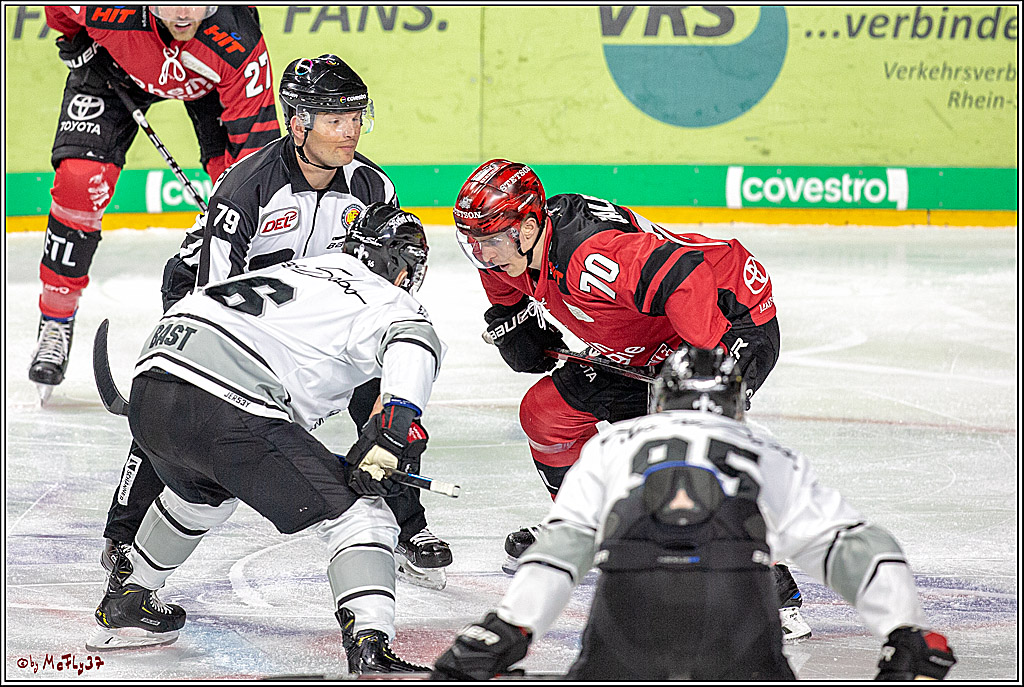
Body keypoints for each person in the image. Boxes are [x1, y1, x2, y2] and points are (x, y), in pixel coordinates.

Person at [99, 55, 453, 592]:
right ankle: (123, 532)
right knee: (186, 394)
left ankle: (409, 524)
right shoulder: (247, 187)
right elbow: (212, 290)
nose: (349, 130)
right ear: (298, 122)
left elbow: (375, 278)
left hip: (309, 306)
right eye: (334, 119)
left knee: (381, 394)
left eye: (356, 117)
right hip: (216, 291)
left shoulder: (373, 186)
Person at [432, 346, 958, 681]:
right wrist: (904, 629)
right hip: (738, 613)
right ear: (736, 404)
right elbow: (857, 545)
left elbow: (563, 546)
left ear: (659, 401)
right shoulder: (766, 448)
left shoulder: (615, 441)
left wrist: (510, 628)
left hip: (632, 608)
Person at [452, 159, 808, 640]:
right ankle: (592, 528)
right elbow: (512, 308)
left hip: (727, 312)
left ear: (531, 227)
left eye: (490, 239)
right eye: (472, 241)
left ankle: (770, 589)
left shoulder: (593, 256)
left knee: (690, 444)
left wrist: (702, 374)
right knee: (547, 414)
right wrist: (515, 329)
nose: (482, 253)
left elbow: (687, 278)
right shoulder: (508, 255)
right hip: (644, 337)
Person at [87, 205, 442, 675]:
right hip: (229, 403)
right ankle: (370, 650)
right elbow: (413, 342)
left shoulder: (301, 267)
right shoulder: (386, 297)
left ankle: (127, 599)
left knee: (201, 494)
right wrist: (396, 425)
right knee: (362, 516)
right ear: (401, 266)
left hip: (152, 384)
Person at [30, 5, 279, 401]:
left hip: (207, 84)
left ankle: (241, 323)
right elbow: (59, 9)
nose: (182, 13)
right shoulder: (105, 7)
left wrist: (240, 201)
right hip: (114, 67)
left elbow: (259, 159)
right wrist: (74, 41)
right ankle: (55, 319)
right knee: (79, 182)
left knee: (244, 188)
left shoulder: (238, 38)